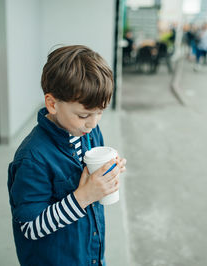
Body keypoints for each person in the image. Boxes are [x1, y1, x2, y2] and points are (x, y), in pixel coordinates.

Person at [7, 45, 127, 266]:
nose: (92, 123)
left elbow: (93, 179)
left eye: (100, 112)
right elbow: (30, 228)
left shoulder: (87, 132)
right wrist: (84, 196)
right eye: (83, 115)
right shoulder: (32, 158)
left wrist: (108, 173)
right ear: (52, 104)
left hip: (88, 251)